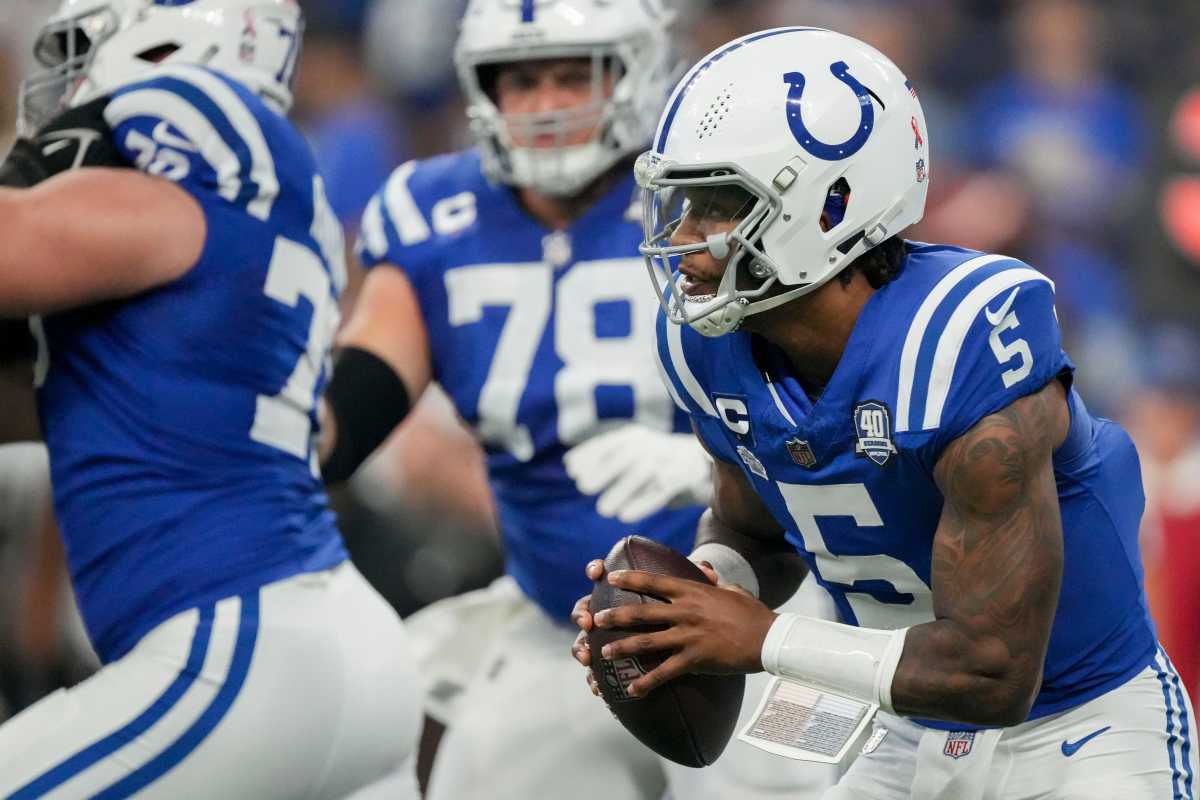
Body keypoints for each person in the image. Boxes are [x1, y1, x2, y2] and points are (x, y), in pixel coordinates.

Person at [572, 27, 1198, 800]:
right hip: (903, 730)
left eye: (721, 204)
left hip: (1080, 727)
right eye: (687, 202)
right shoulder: (711, 343)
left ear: (831, 206)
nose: (688, 240)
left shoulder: (961, 341)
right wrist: (695, 598)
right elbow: (755, 529)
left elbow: (994, 670)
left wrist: (759, 637)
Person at [323, 1, 839, 797]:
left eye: (576, 76)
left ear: (638, 69)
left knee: (795, 785)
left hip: (770, 615)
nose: (547, 104)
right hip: (564, 628)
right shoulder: (432, 213)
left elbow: (845, 405)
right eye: (522, 81)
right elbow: (349, 415)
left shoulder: (723, 194)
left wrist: (718, 460)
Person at [0, 1, 421, 796]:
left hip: (238, 649)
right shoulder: (242, 237)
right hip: (334, 638)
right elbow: (56, 402)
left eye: (83, 55)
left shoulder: (189, 182)